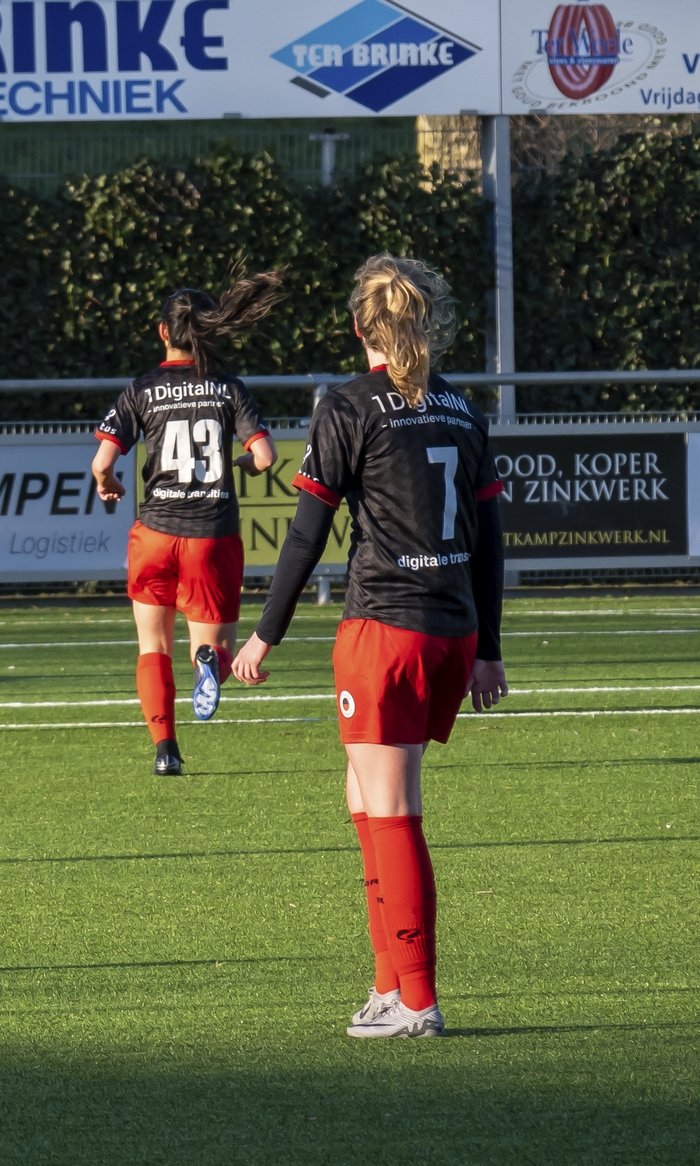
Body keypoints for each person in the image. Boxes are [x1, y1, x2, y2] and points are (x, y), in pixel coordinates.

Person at [231, 255, 508, 1039]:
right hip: (451, 630)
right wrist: (489, 647)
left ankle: (418, 1000)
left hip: (384, 630)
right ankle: (390, 986)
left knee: (393, 812)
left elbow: (307, 534)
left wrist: (263, 634)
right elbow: (490, 540)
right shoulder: (460, 405)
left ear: (360, 327)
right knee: (364, 801)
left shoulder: (348, 405)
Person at [92, 273, 282, 776]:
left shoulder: (141, 389)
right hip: (210, 535)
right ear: (211, 333)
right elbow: (264, 456)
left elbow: (102, 461)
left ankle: (165, 749)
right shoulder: (226, 388)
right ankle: (207, 667)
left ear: (162, 333)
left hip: (154, 533)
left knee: (151, 646)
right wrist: (238, 466)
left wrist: (108, 482)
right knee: (214, 646)